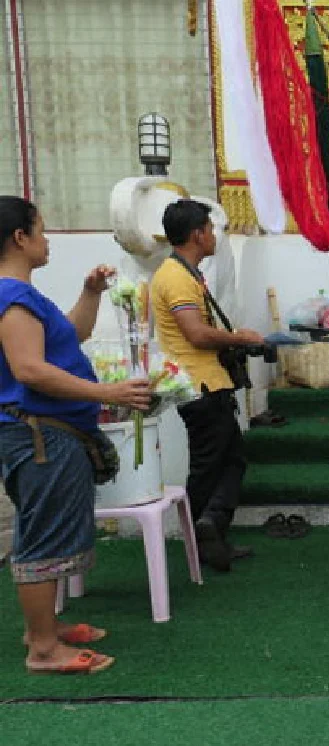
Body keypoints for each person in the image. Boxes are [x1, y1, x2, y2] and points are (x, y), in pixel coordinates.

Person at [0, 196, 152, 674]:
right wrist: (108, 391)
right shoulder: (12, 296)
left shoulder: (25, 296)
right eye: (41, 231)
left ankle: (41, 630)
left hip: (47, 432)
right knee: (43, 537)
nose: (47, 241)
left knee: (40, 525)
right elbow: (29, 369)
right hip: (39, 433)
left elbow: (70, 337)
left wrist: (91, 293)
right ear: (20, 238)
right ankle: (43, 649)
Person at [151, 200, 263, 572]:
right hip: (200, 386)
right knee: (208, 466)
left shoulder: (182, 273)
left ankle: (210, 526)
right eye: (211, 229)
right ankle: (199, 536)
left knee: (231, 460)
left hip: (207, 383)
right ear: (197, 233)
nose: (214, 236)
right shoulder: (176, 277)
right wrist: (239, 339)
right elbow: (196, 334)